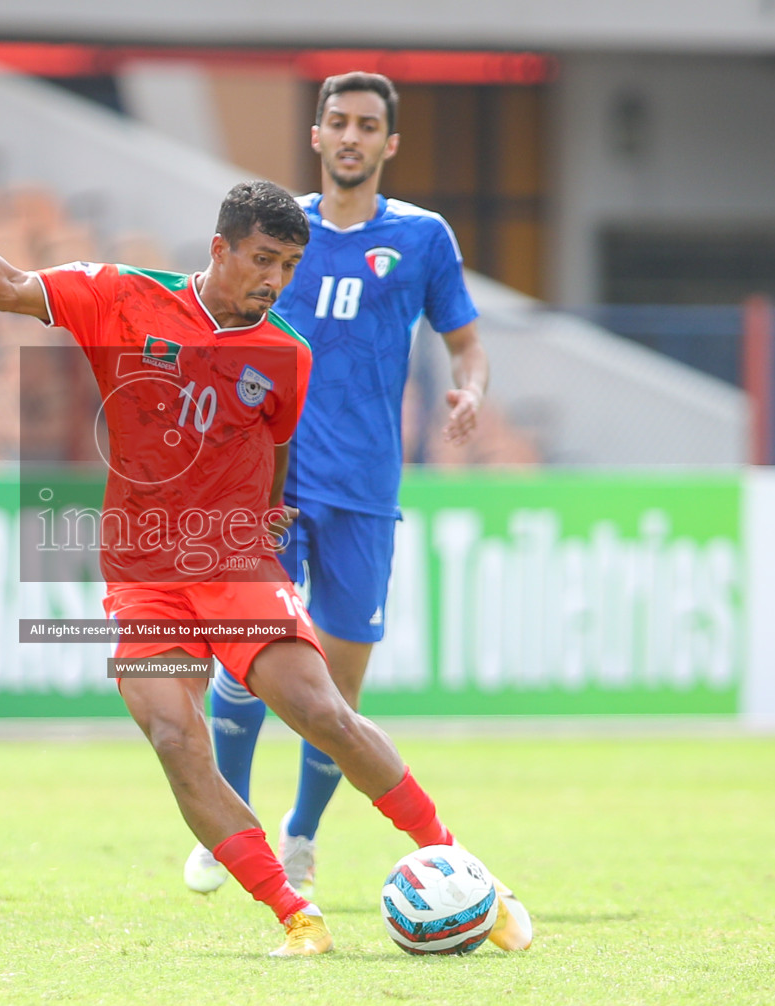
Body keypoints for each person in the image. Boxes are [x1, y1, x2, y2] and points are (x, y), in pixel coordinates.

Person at [0, 180, 527, 956]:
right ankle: (296, 916)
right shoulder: (120, 299)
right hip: (142, 578)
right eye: (264, 259)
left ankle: (473, 878)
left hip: (235, 565)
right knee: (173, 736)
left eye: (291, 265)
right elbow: (12, 288)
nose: (276, 280)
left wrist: (260, 531)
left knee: (323, 714)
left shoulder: (286, 353)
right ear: (220, 248)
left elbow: (279, 446)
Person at [180, 74, 527, 951]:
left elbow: (468, 343)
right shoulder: (279, 236)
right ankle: (230, 834)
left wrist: (469, 391)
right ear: (316, 133)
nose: (350, 136)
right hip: (273, 483)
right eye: (338, 121)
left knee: (337, 691)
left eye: (368, 125)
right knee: (247, 660)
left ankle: (300, 834)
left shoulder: (421, 238)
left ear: (389, 145)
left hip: (369, 491)